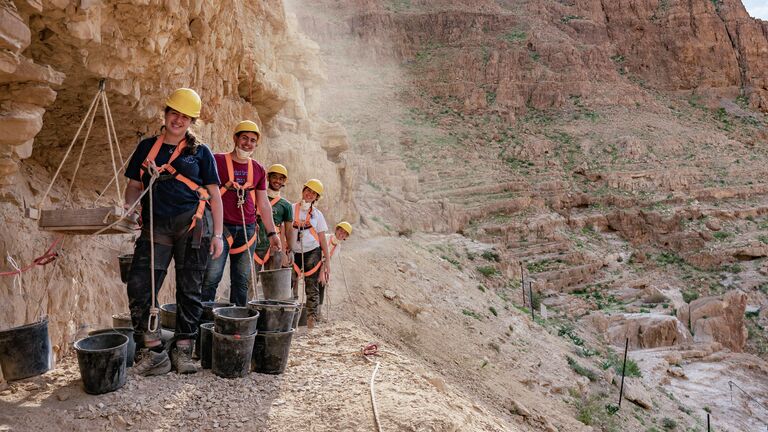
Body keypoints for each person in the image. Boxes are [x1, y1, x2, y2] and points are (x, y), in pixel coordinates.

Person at [123, 88, 224, 375]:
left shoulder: (200, 153)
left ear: (192, 122)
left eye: (185, 117)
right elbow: (134, 186)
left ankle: (183, 349)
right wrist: (130, 207)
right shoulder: (147, 147)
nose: (178, 120)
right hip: (155, 227)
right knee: (140, 285)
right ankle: (153, 350)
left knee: (190, 290)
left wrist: (217, 234)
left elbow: (214, 196)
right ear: (165, 114)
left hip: (192, 227)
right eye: (174, 114)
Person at [201, 121, 282, 307]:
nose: (248, 143)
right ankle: (201, 323)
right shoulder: (217, 161)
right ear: (235, 138)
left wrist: (272, 234)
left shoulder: (258, 170)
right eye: (244, 138)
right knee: (211, 278)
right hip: (221, 228)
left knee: (241, 281)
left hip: (248, 230)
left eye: (253, 140)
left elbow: (263, 204)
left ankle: (236, 322)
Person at [291, 179, 330, 329]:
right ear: (303, 190)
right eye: (308, 190)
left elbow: (322, 238)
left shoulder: (317, 215)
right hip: (293, 251)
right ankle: (290, 318)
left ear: (316, 198)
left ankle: (311, 320)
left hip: (312, 251)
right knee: (290, 283)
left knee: (311, 285)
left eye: (314, 193)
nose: (310, 194)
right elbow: (285, 229)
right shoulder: (291, 208)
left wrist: (327, 261)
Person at [252, 164, 294, 276]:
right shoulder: (256, 196)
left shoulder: (286, 206)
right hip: (254, 245)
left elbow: (289, 230)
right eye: (274, 177)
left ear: (284, 181)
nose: (277, 181)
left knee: (273, 285)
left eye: (281, 179)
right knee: (249, 283)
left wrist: (290, 251)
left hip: (274, 248)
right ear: (268, 177)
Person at [317, 221, 352, 320]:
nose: (342, 234)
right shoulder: (326, 238)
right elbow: (319, 254)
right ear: (336, 230)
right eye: (340, 231)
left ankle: (318, 312)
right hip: (314, 262)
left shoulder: (338, 247)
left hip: (322, 266)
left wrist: (324, 274)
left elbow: (329, 260)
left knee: (322, 285)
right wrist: (321, 273)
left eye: (345, 233)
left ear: (346, 237)